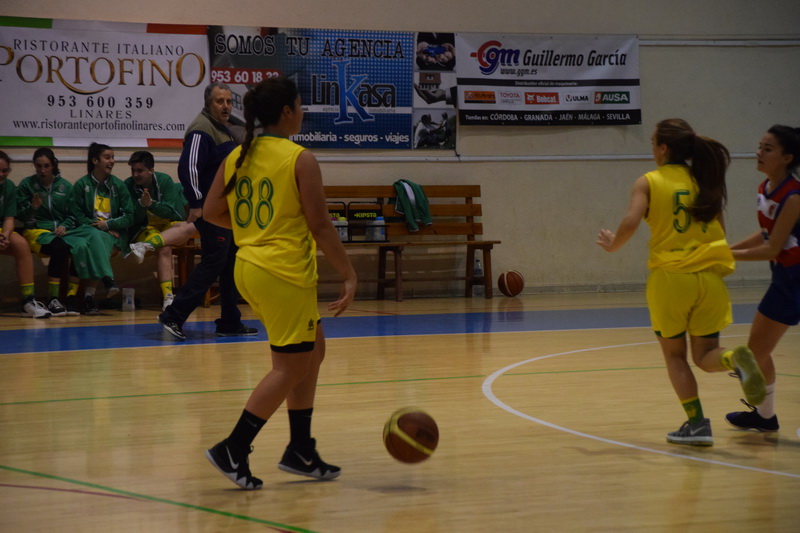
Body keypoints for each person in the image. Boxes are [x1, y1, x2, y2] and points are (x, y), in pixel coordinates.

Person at [202, 77, 357, 489]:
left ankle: (301, 449)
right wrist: (348, 273)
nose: (302, 112)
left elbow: (211, 211)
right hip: (281, 272)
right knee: (290, 367)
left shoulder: (239, 154)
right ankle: (233, 448)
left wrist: (255, 230)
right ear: (287, 112)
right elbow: (320, 225)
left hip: (248, 266)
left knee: (313, 350)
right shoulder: (299, 158)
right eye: (300, 106)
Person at [596, 118, 766, 446]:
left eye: (652, 144)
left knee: (676, 356)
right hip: (709, 280)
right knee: (706, 354)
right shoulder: (706, 181)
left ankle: (698, 424)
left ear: (663, 148)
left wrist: (613, 244)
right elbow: (721, 233)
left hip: (671, 280)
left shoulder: (648, 181)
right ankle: (734, 358)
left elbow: (631, 221)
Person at [158, 82, 256, 340]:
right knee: (214, 262)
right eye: (219, 101)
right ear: (208, 104)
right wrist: (197, 203)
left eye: (228, 101)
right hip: (210, 212)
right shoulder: (202, 129)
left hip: (226, 212)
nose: (225, 106)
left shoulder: (222, 130)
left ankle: (230, 321)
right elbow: (188, 168)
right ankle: (173, 316)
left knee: (230, 263)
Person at [725, 125, 800, 432]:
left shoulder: (793, 196)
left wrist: (724, 257)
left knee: (754, 355)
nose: (759, 153)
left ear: (787, 158)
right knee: (757, 353)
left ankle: (765, 416)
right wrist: (727, 250)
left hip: (794, 282)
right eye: (759, 146)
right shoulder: (765, 188)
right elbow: (767, 234)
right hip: (785, 278)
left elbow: (772, 249)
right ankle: (765, 417)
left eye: (767, 149)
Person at [125, 151, 197, 310]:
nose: (135, 175)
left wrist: (151, 204)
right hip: (145, 228)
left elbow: (171, 212)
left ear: (151, 170)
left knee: (191, 226)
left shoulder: (164, 180)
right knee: (164, 247)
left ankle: (146, 246)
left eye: (140, 171)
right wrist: (142, 205)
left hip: (167, 226)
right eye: (133, 170)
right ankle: (168, 297)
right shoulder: (128, 185)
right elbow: (133, 219)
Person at [16, 148, 81, 315]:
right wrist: (33, 207)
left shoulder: (66, 186)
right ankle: (53, 298)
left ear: (53, 165)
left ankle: (72, 298)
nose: (42, 170)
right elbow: (19, 215)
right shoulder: (27, 185)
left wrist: (65, 225)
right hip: (35, 231)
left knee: (80, 245)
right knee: (60, 247)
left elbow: (73, 214)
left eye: (46, 166)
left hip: (61, 232)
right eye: (38, 166)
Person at [69, 143, 133, 314]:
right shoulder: (82, 185)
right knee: (94, 239)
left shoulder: (118, 185)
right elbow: (76, 214)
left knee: (96, 242)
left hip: (113, 233)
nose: (112, 161)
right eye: (107, 157)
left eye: (113, 157)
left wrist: (108, 225)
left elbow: (129, 216)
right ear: (95, 160)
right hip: (88, 231)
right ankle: (103, 282)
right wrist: (96, 226)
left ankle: (87, 299)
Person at [0, 151, 51, 318]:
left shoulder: (8, 186)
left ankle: (28, 301)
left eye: (5, 171)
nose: (1, 174)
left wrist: (5, 235)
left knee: (22, 245)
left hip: (1, 231)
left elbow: (9, 219)